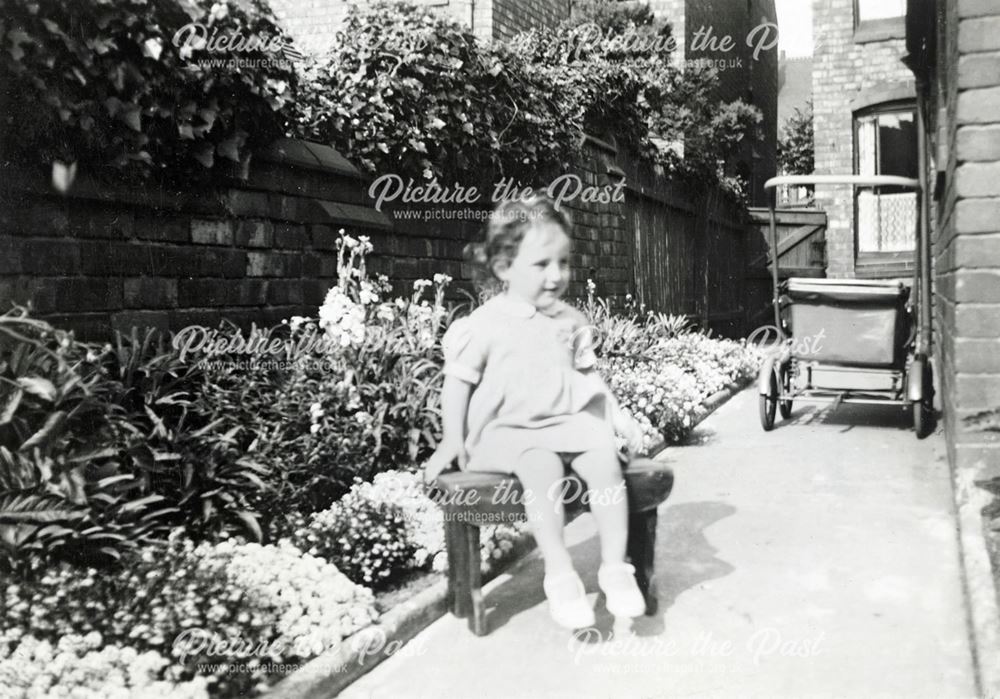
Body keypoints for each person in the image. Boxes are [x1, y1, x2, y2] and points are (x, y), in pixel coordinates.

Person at [423, 194, 647, 630]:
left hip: (569, 422)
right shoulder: (484, 324)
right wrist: (452, 439)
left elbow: (590, 378)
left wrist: (618, 417)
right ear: (504, 267)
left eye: (563, 263)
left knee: (605, 464)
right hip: (513, 431)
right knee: (540, 467)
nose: (557, 275)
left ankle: (615, 566)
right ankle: (560, 571)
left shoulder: (572, 320)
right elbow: (458, 383)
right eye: (542, 265)